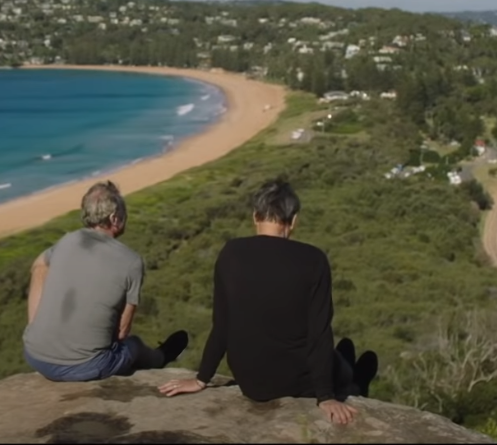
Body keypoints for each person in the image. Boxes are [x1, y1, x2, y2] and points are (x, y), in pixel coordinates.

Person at [157, 179, 379, 425]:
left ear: (255, 216)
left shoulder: (230, 253)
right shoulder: (314, 260)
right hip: (296, 380)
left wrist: (201, 379)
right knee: (345, 365)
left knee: (342, 353)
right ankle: (356, 382)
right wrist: (325, 396)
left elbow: (221, 324)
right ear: (294, 220)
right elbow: (319, 332)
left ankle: (346, 363)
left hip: (249, 381)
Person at [23, 180, 189, 382]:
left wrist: (34, 324)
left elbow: (39, 266)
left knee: (42, 266)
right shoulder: (132, 262)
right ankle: (161, 358)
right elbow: (121, 332)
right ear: (114, 218)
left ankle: (36, 330)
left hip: (34, 355)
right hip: (86, 366)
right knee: (133, 345)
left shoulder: (67, 240)